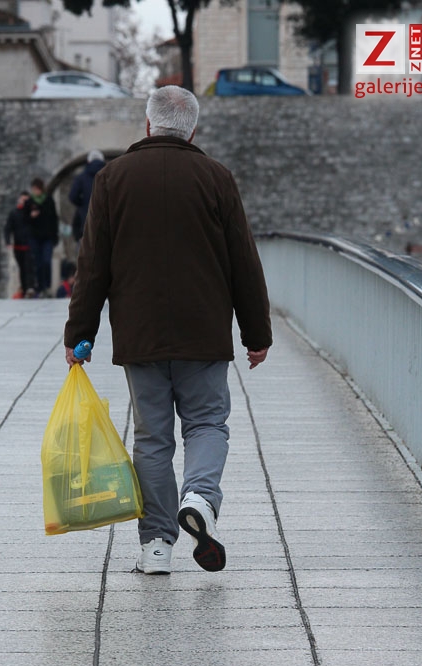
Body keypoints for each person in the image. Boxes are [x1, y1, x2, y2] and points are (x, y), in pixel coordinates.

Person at [64, 85, 272, 576]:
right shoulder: (216, 178)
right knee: (207, 424)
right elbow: (244, 260)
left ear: (148, 124)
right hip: (204, 332)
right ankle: (199, 497)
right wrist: (256, 333)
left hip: (140, 335)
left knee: (152, 439)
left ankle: (156, 545)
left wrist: (80, 335)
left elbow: (93, 265)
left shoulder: (112, 179)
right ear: (192, 130)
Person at [24, 178, 58, 296]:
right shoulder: (29, 203)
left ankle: (47, 286)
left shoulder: (49, 200)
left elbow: (54, 219)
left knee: (46, 261)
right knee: (38, 263)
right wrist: (31, 216)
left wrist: (55, 237)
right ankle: (40, 286)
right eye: (34, 189)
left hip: (47, 237)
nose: (35, 192)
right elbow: (24, 220)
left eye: (37, 189)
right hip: (34, 237)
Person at [69, 150, 106, 241]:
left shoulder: (81, 178)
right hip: (105, 218)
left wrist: (82, 204)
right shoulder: (109, 175)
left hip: (86, 218)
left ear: (88, 161)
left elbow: (72, 196)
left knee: (86, 245)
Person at [5, 191, 35, 296]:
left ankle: (30, 287)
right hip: (18, 245)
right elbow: (8, 228)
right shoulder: (14, 213)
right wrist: (8, 241)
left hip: (29, 245)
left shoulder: (31, 213)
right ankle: (25, 288)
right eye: (23, 199)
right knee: (22, 268)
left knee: (28, 267)